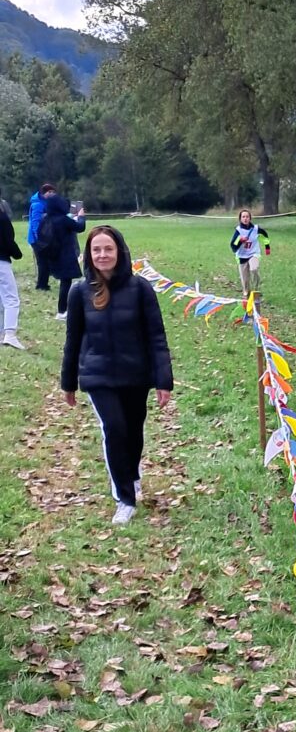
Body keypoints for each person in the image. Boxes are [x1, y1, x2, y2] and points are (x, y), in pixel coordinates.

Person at [61, 225, 173, 526]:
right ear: (88, 254)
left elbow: (156, 336)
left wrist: (163, 380)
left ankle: (132, 474)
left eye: (108, 249)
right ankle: (124, 498)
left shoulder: (141, 289)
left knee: (133, 431)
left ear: (119, 252)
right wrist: (68, 383)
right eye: (96, 249)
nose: (102, 254)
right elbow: (73, 340)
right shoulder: (79, 292)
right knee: (114, 428)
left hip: (135, 374)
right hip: (97, 375)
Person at [45, 192, 86, 319]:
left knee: (65, 282)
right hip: (65, 254)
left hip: (53, 254)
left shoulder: (47, 218)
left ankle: (63, 310)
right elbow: (80, 227)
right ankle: (62, 311)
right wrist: (81, 217)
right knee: (66, 283)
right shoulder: (63, 219)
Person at [229, 209, 270, 299]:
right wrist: (240, 240)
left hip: (254, 253)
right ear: (240, 219)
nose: (245, 218)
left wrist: (267, 247)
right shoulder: (238, 230)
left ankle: (256, 290)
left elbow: (265, 236)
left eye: (247, 217)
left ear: (250, 218)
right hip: (242, 256)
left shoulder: (256, 229)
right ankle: (246, 292)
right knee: (245, 278)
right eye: (243, 217)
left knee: (254, 269)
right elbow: (233, 246)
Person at [0, 205, 25, 349]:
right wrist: (17, 254)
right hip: (1, 262)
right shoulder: (2, 219)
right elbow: (8, 241)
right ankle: (10, 334)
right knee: (11, 298)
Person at [27, 183, 56, 291]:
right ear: (44, 193)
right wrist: (38, 239)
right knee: (43, 262)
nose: (52, 194)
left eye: (53, 192)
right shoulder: (37, 205)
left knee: (45, 262)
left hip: (43, 237)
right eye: (50, 192)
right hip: (37, 239)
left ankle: (43, 284)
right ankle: (41, 285)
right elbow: (35, 223)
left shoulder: (46, 202)